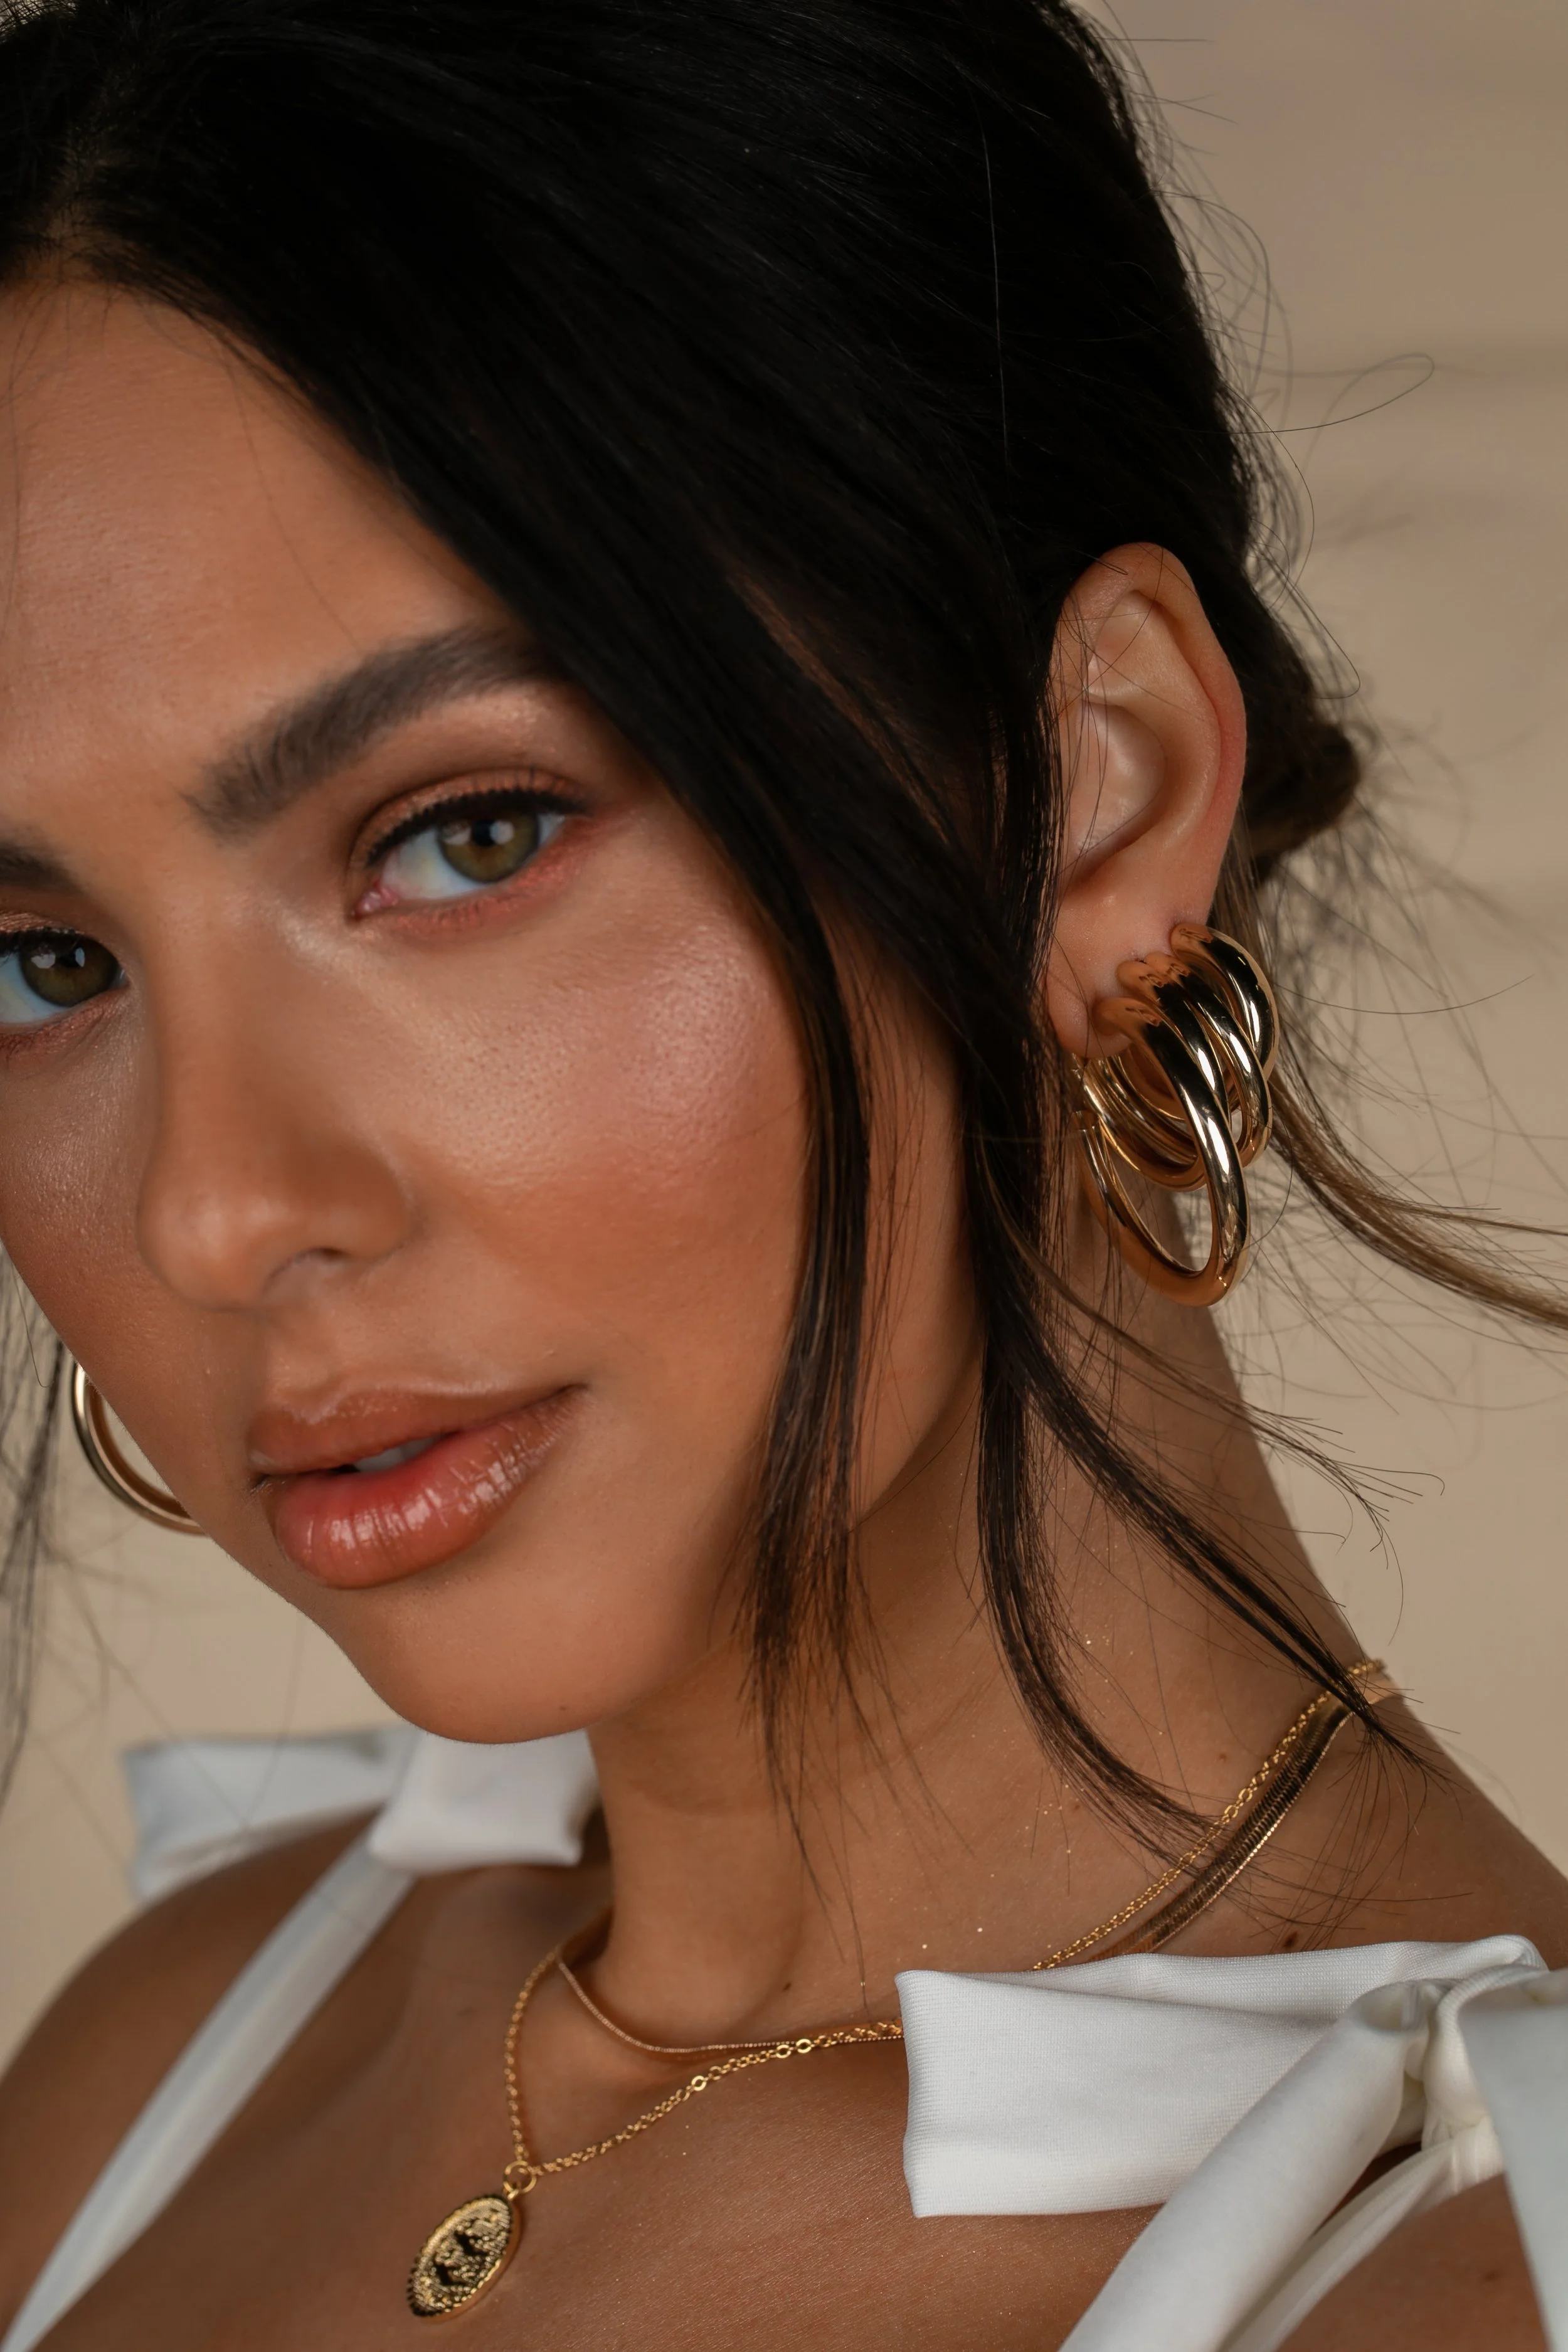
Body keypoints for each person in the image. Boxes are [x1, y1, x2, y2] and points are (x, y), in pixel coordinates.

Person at [0, 0, 1564, 2344]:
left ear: (1097, 789)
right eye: (40, 962)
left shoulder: (1455, 2272)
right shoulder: (169, 2050)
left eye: (466, 834)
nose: (214, 1211)